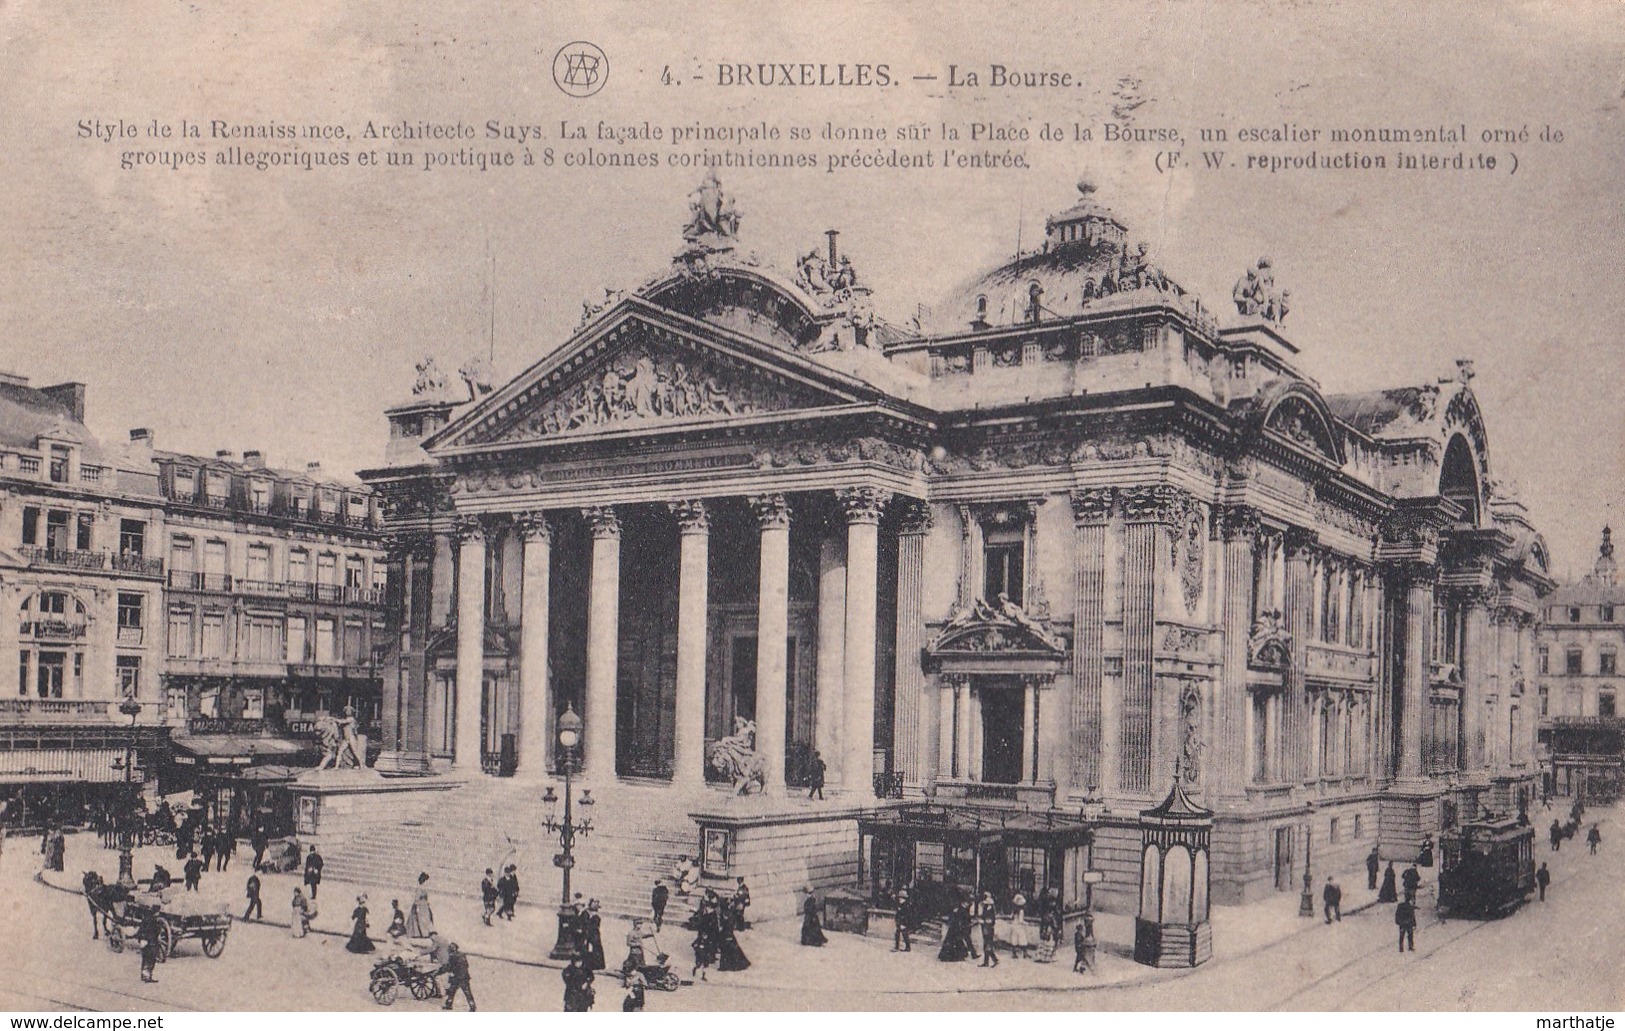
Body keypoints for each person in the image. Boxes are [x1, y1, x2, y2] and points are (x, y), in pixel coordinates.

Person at [437, 942, 475, 1011]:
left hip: (456, 978)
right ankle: (472, 1006)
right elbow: (467, 965)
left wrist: (439, 972)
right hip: (465, 977)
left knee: (451, 991)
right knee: (467, 992)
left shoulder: (452, 956)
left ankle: (449, 1004)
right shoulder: (462, 955)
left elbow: (448, 967)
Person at [716, 900, 751, 972]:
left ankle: (730, 965)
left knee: (728, 949)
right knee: (730, 949)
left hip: (726, 934)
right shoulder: (728, 913)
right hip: (726, 934)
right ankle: (732, 964)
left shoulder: (727, 914)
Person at [137, 908, 164, 983]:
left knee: (146, 958)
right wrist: (143, 939)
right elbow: (145, 931)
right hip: (149, 942)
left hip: (149, 941)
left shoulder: (149, 919)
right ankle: (147, 976)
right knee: (150, 958)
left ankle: (145, 975)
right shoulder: (151, 921)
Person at [406, 872, 435, 937]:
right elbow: (417, 899)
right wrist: (417, 907)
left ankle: (425, 933)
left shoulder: (423, 887)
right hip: (420, 905)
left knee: (425, 920)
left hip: (424, 906)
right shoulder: (419, 888)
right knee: (420, 920)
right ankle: (420, 933)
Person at [976, 892, 1000, 967]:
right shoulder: (986, 908)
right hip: (985, 927)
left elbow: (992, 920)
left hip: (988, 928)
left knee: (988, 944)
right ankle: (986, 962)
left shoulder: (991, 910)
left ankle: (995, 960)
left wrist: (984, 921)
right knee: (986, 944)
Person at [1008, 892, 1032, 958]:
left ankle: (1014, 953)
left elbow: (1011, 917)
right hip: (1019, 926)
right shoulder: (1021, 911)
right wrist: (1027, 923)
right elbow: (1021, 921)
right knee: (1023, 939)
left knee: (1014, 939)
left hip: (1014, 925)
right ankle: (1025, 953)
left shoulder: (1014, 910)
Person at [892, 887, 913, 952]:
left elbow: (907, 915)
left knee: (904, 934)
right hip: (900, 922)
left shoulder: (906, 905)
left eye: (900, 897)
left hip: (904, 922)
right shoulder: (901, 904)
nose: (899, 899)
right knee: (898, 933)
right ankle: (898, 946)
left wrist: (903, 924)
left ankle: (907, 947)